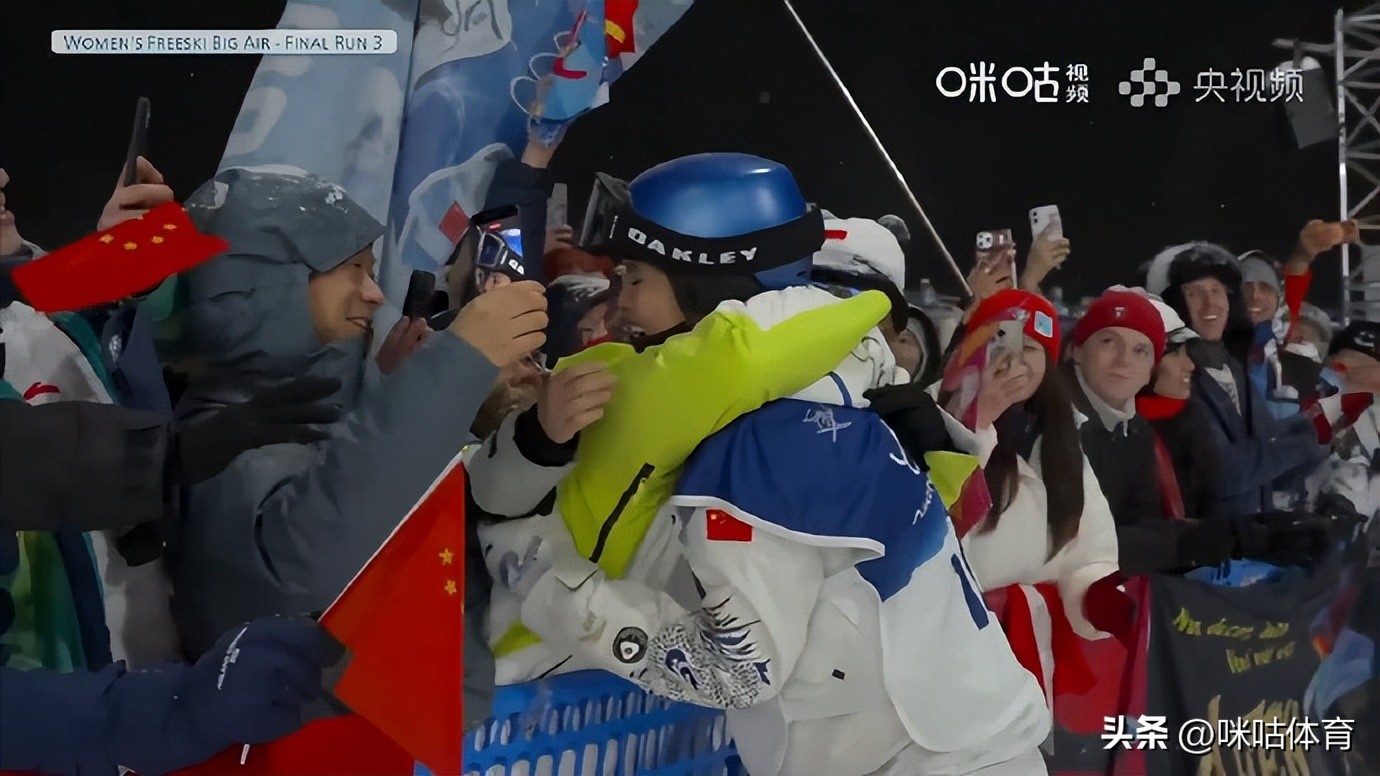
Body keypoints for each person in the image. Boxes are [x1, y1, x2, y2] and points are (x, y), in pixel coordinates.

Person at [168, 167, 548, 657]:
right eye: (353, 269)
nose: (375, 293)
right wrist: (457, 365)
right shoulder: (220, 439)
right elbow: (303, 563)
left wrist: (395, 389)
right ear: (269, 281)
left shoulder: (295, 409)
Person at [936, 289, 1125, 643]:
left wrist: (1102, 600)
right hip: (946, 632)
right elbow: (933, 517)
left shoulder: (1059, 438)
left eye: (1031, 348)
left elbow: (1091, 552)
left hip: (1022, 649)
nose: (1014, 359)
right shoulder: (929, 419)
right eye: (1000, 341)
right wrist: (977, 421)